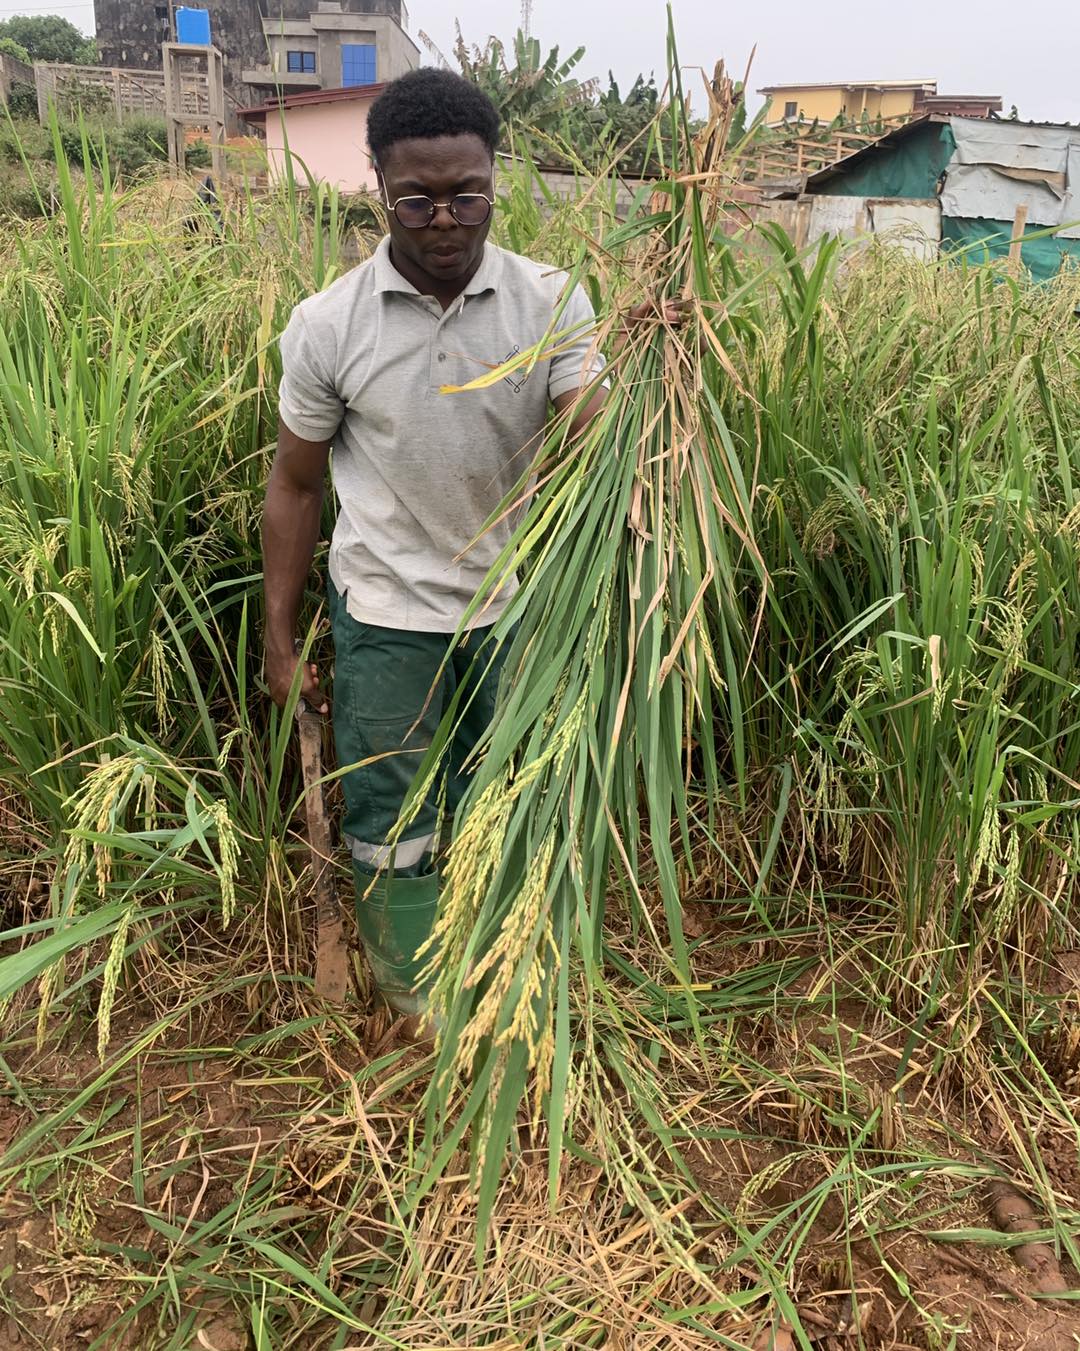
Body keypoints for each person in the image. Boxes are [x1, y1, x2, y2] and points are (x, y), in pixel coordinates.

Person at [263, 69, 655, 1018]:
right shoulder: (328, 326)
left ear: (494, 180)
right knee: (391, 825)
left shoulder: (551, 301)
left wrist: (648, 357)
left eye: (467, 193)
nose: (446, 218)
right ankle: (414, 1002)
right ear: (379, 188)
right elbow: (296, 484)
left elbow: (589, 441)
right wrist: (280, 640)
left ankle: (502, 983)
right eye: (418, 198)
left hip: (519, 614)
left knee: (504, 808)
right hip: (387, 616)